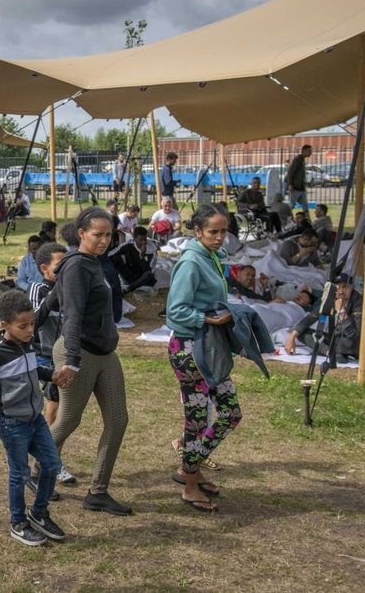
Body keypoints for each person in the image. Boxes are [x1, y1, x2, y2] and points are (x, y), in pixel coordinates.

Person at [47, 210, 132, 515]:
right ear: (81, 233)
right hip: (79, 353)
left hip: (105, 354)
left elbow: (51, 301)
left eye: (109, 235)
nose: (104, 240)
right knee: (68, 420)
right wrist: (70, 360)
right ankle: (31, 473)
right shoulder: (76, 267)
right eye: (98, 234)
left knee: (118, 420)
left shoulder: (92, 264)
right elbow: (70, 315)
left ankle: (98, 492)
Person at [165, 204, 242, 513]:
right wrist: (209, 319)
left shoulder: (211, 257)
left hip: (209, 349)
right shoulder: (191, 262)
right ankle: (191, 486)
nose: (220, 237)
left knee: (230, 413)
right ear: (197, 232)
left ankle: (189, 467)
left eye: (224, 231)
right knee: (197, 422)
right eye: (213, 232)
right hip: (189, 350)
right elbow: (175, 311)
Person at [0, 289, 65, 547]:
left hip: (35, 419)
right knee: (19, 473)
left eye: (32, 324)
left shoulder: (28, 344)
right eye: (23, 326)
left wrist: (52, 375)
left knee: (51, 464)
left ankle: (38, 513)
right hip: (12, 423)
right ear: (5, 325)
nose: (29, 330)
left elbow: (32, 369)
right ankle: (18, 523)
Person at [29, 242, 76, 484]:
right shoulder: (38, 289)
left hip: (66, 354)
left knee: (61, 411)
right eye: (60, 264)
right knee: (54, 411)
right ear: (44, 268)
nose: (66, 269)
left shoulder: (71, 287)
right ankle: (49, 463)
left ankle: (51, 460)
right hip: (44, 355)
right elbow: (33, 319)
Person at [284, 274, 365, 361]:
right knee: (303, 334)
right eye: (337, 287)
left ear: (352, 287)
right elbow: (312, 316)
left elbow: (355, 336)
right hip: (341, 340)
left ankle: (335, 352)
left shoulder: (360, 303)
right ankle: (331, 353)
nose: (340, 291)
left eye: (344, 287)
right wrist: (292, 336)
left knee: (347, 342)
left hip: (362, 346)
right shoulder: (335, 298)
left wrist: (341, 311)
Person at [112, 226, 157, 293]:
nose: (144, 242)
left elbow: (149, 270)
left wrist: (142, 257)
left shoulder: (152, 251)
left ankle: (129, 289)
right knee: (115, 258)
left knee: (149, 274)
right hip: (130, 275)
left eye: (145, 239)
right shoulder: (128, 245)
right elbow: (112, 253)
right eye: (141, 240)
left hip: (142, 279)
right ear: (134, 238)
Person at [286, 144, 312, 213]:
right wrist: (290, 184)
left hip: (301, 187)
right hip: (295, 187)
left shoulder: (302, 160)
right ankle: (284, 216)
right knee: (291, 205)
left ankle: (307, 221)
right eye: (309, 151)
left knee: (305, 205)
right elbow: (290, 172)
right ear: (304, 151)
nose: (311, 153)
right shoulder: (297, 159)